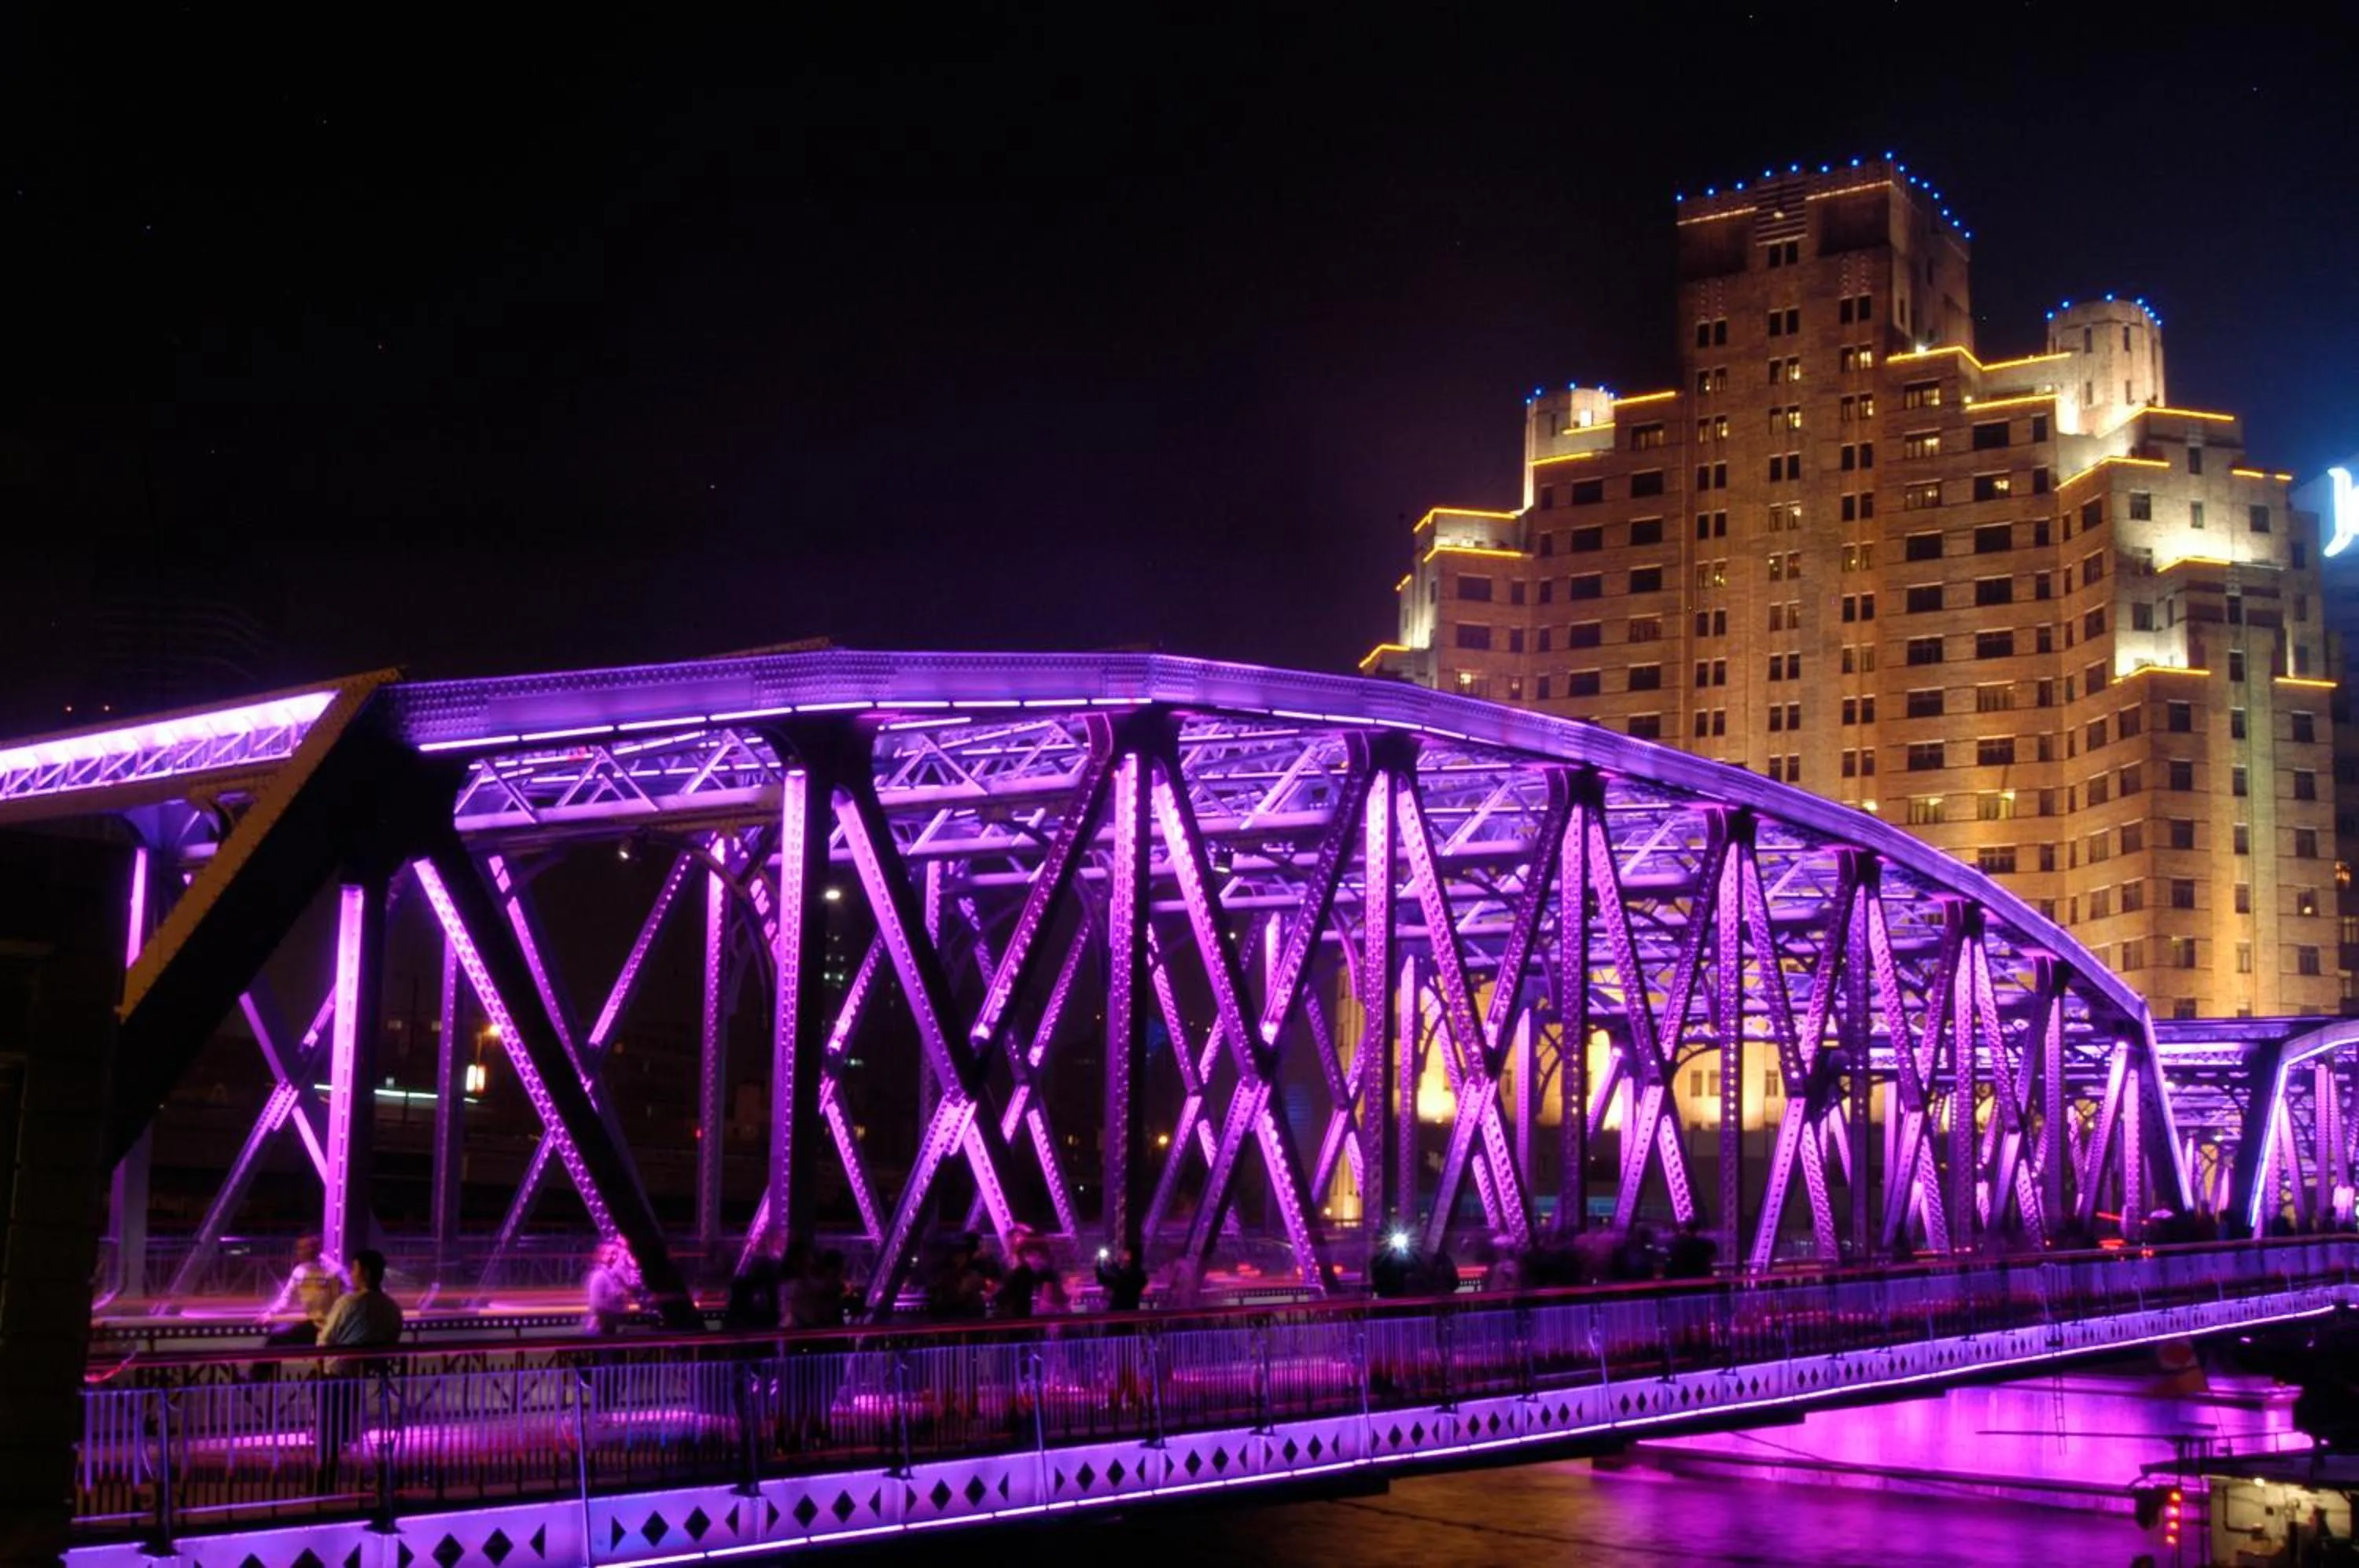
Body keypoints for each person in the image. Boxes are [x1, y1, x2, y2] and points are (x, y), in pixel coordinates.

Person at [315, 1249, 403, 1491]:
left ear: (364, 1273)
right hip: (366, 1375)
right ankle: (364, 1470)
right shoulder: (391, 1307)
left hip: (336, 1373)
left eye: (354, 1269)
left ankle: (324, 1479)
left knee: (328, 1427)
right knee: (346, 1421)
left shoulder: (348, 1303)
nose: (351, 1274)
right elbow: (393, 1338)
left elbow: (325, 1340)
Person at [262, 1235, 347, 1348]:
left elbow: (345, 1303)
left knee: (277, 1339)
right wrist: (271, 1313)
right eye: (299, 1248)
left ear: (317, 1249)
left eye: (305, 1248)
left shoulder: (334, 1272)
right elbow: (286, 1298)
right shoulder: (299, 1271)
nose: (300, 1252)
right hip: (314, 1323)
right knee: (275, 1337)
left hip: (332, 1326)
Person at [583, 1241, 635, 1336]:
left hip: (610, 1324)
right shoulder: (599, 1276)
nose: (614, 1257)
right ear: (602, 1256)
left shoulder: (612, 1275)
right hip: (602, 1328)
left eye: (616, 1254)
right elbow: (597, 1305)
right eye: (610, 1254)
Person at [1095, 1244, 1148, 1312]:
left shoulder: (1137, 1276)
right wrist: (1099, 1267)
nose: (1121, 1254)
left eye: (1125, 1252)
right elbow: (1104, 1279)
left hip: (1123, 1312)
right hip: (1124, 1312)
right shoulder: (1127, 1275)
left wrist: (1112, 1265)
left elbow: (1125, 1281)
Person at [1663, 1216, 1719, 1280]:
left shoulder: (1675, 1244)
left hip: (1681, 1279)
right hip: (1702, 1278)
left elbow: (1670, 1260)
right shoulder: (1708, 1244)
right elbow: (1713, 1258)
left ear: (1685, 1229)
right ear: (1699, 1229)